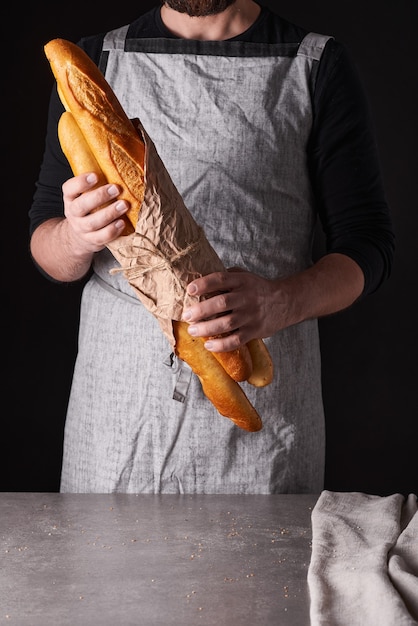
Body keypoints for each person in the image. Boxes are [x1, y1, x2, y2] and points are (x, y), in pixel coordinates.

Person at [29, 0, 394, 494]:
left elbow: (368, 246)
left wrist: (282, 301)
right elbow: (47, 248)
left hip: (265, 431)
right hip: (117, 425)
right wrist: (75, 235)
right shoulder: (100, 61)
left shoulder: (314, 64)